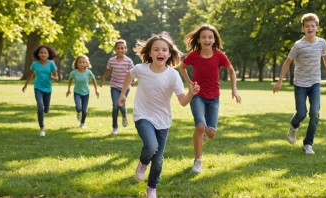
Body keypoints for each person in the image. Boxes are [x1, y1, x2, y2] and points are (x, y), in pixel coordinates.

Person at [118, 32, 200, 198]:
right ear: (150, 53)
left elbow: (183, 101)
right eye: (156, 49)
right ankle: (142, 163)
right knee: (151, 146)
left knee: (158, 159)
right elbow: (129, 75)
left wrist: (190, 93)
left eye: (164, 50)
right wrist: (123, 94)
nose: (160, 52)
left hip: (163, 120)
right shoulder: (141, 69)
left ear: (169, 54)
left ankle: (151, 188)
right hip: (143, 115)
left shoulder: (173, 75)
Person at [179, 24, 242, 173]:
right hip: (197, 96)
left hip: (214, 98)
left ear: (214, 39)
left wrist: (234, 89)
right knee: (200, 126)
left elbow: (231, 71)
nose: (207, 39)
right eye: (204, 37)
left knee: (211, 133)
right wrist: (189, 84)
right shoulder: (194, 55)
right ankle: (198, 160)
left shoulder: (219, 55)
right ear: (199, 40)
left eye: (210, 37)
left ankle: (203, 136)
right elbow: (182, 67)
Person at [273, 13, 326, 154]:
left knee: (315, 113)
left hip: (314, 83)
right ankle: (293, 126)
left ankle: (308, 144)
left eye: (312, 26)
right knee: (301, 113)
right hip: (300, 84)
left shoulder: (322, 43)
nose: (310, 28)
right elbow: (288, 61)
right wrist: (280, 81)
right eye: (307, 26)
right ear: (303, 28)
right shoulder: (298, 45)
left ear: (317, 28)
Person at [22, 45, 58, 137]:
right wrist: (25, 85)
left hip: (48, 89)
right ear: (38, 54)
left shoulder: (51, 64)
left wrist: (53, 77)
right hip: (38, 88)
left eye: (45, 52)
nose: (43, 54)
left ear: (48, 54)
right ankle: (42, 128)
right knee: (40, 107)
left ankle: (45, 110)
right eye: (41, 52)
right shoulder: (35, 64)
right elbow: (30, 75)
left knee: (46, 110)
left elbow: (57, 77)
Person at [99, 39, 134, 135]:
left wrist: (133, 80)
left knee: (121, 106)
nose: (120, 50)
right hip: (114, 85)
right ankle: (115, 128)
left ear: (125, 49)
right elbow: (108, 71)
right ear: (115, 49)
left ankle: (124, 115)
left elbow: (132, 73)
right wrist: (102, 79)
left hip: (125, 87)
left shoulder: (128, 61)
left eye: (122, 48)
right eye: (118, 48)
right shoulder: (112, 60)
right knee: (115, 106)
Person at [66, 55, 99, 129]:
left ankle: (82, 123)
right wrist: (68, 89)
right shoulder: (74, 72)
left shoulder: (88, 72)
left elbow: (93, 80)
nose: (82, 64)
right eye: (80, 62)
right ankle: (78, 112)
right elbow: (70, 80)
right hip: (77, 92)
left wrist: (96, 89)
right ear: (76, 64)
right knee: (78, 107)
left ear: (87, 63)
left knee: (84, 110)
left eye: (84, 62)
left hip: (86, 93)